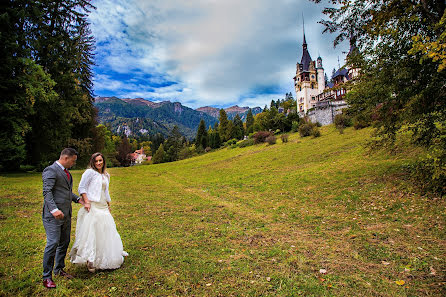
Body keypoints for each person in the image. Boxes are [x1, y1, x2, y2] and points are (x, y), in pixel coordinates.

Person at [70, 152, 128, 272]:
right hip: (93, 205)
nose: (98, 163)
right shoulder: (89, 173)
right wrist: (86, 202)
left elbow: (106, 192)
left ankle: (105, 257)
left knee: (107, 229)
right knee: (93, 231)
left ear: (103, 161)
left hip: (103, 205)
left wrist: (108, 205)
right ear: (92, 162)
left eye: (100, 160)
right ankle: (90, 259)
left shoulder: (106, 175)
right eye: (96, 161)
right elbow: (82, 188)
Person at [42, 148, 84, 289]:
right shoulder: (51, 170)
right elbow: (47, 192)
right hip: (53, 216)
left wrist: (78, 199)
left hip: (66, 214)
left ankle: (59, 269)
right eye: (73, 160)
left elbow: (66, 192)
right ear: (66, 158)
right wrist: (54, 210)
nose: (74, 163)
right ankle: (46, 277)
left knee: (64, 243)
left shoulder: (67, 173)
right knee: (53, 243)